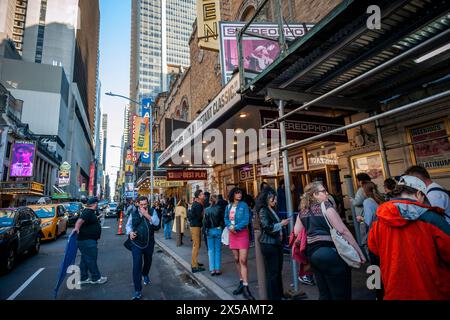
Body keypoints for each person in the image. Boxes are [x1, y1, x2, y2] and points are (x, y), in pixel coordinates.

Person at [368, 175, 450, 300]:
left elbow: (374, 252)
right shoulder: (432, 219)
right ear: (418, 194)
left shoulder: (379, 221)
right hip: (431, 291)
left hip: (394, 291)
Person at [297, 182, 366, 300]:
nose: (327, 193)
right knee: (341, 293)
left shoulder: (302, 211)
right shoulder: (327, 207)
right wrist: (359, 251)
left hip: (313, 255)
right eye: (323, 191)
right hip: (330, 252)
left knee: (324, 294)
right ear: (315, 194)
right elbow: (344, 231)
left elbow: (297, 231)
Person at [257, 188, 290, 300]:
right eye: (273, 199)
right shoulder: (263, 210)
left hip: (275, 244)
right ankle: (274, 297)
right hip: (269, 245)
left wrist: (280, 226)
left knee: (277, 271)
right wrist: (281, 224)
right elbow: (268, 227)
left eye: (275, 199)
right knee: (273, 273)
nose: (275, 201)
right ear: (267, 199)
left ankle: (279, 295)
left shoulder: (270, 209)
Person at [125, 196, 160, 300]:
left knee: (148, 261)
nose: (144, 206)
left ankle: (145, 273)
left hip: (149, 242)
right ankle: (137, 290)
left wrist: (147, 215)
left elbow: (157, 223)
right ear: (137, 204)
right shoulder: (133, 212)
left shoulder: (152, 211)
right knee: (136, 265)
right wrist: (130, 232)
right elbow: (128, 225)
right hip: (136, 243)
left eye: (145, 204)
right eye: (142, 204)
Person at [225, 187, 255, 300]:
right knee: (236, 259)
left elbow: (246, 220)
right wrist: (229, 226)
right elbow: (225, 218)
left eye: (240, 193)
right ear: (233, 194)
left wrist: (235, 227)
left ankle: (246, 287)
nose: (239, 194)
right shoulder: (228, 206)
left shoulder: (244, 205)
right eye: (237, 193)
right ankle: (241, 282)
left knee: (243, 260)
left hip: (242, 234)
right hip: (232, 235)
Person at [72, 197, 107, 285]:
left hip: (86, 240)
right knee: (91, 259)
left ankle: (83, 278)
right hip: (87, 241)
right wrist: (76, 228)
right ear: (95, 204)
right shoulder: (87, 211)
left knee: (85, 260)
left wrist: (98, 217)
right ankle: (96, 278)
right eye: (97, 203)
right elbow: (79, 221)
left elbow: (85, 221)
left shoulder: (89, 212)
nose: (97, 205)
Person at [203, 195, 225, 276]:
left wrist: (205, 231)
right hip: (218, 230)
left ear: (210, 201)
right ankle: (217, 269)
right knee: (218, 250)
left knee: (211, 250)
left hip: (209, 230)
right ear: (216, 200)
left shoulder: (207, 210)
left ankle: (212, 269)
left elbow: (205, 222)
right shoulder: (219, 209)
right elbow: (223, 220)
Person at [350, 173, 372, 247]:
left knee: (365, 238)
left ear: (361, 181)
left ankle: (368, 255)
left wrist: (352, 200)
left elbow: (357, 202)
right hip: (370, 216)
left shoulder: (361, 189)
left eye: (357, 180)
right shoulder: (371, 187)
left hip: (363, 217)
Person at [189, 190, 205, 273]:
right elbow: (199, 217)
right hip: (195, 226)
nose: (204, 195)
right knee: (196, 245)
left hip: (194, 225)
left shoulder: (196, 204)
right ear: (198, 196)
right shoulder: (198, 205)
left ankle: (195, 262)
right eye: (202, 194)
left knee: (196, 245)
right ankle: (194, 266)